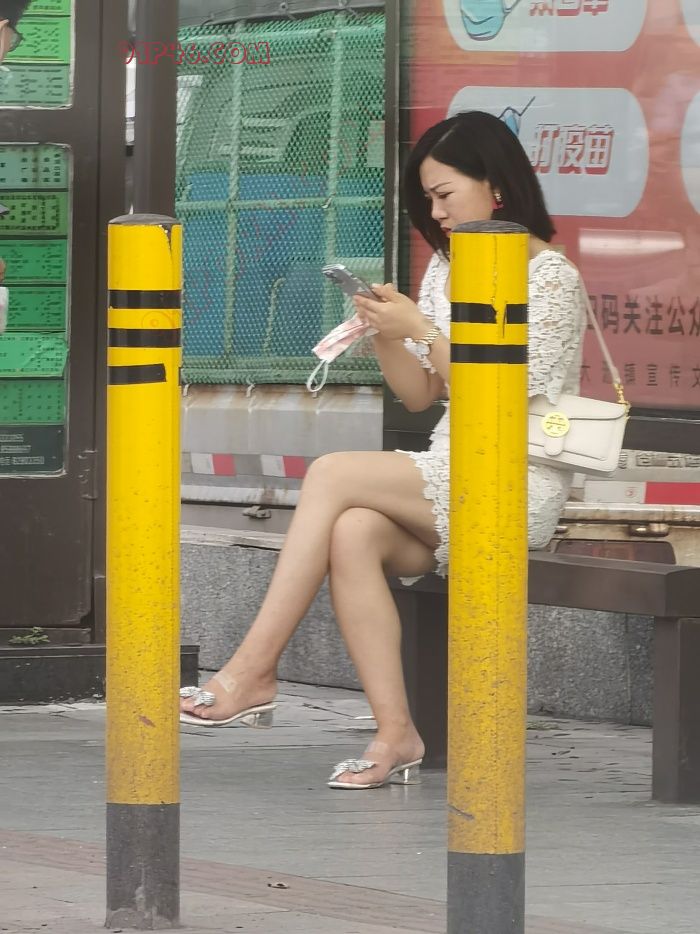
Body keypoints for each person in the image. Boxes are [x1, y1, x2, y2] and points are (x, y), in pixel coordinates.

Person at [180, 110, 586, 790]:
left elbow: (503, 398)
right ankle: (396, 732)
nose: (438, 213)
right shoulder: (446, 270)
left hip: (519, 476)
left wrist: (421, 328)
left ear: (497, 187)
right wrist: (388, 332)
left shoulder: (550, 276)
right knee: (353, 531)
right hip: (451, 469)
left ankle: (252, 670)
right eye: (428, 199)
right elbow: (422, 396)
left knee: (333, 473)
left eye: (445, 194)